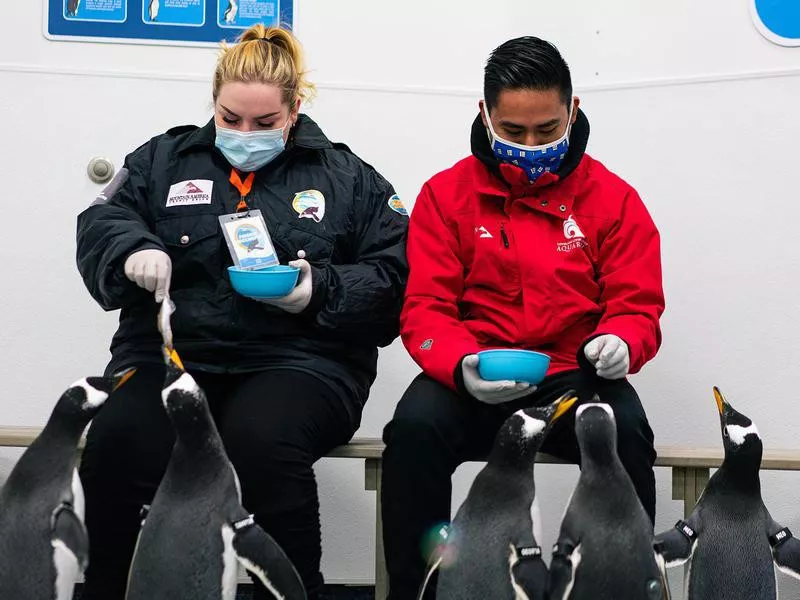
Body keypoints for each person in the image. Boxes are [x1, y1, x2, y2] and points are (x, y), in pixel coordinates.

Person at [75, 24, 408, 600]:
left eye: (264, 123)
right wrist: (133, 249)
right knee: (120, 437)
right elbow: (102, 220)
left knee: (262, 444)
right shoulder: (162, 159)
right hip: (174, 355)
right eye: (230, 119)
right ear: (214, 102)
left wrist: (318, 290)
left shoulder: (349, 178)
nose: (243, 133)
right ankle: (113, 587)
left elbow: (392, 275)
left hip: (302, 362)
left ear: (295, 109)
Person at [381, 36, 665, 598]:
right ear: (485, 115)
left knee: (628, 434)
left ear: (574, 111)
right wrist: (459, 363)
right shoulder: (445, 196)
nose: (530, 146)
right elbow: (426, 307)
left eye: (547, 130)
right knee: (413, 430)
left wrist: (621, 341)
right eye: (513, 132)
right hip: (476, 374)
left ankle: (624, 587)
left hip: (573, 376)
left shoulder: (614, 199)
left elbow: (638, 304)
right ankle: (419, 589)